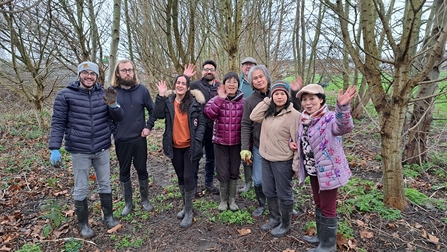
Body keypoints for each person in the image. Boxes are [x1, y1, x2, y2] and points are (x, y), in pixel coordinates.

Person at [49, 61, 122, 238]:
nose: (89, 76)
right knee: (81, 187)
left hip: (102, 147)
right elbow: (58, 122)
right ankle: (83, 224)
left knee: (105, 183)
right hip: (79, 149)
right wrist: (54, 148)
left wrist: (113, 106)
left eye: (92, 73)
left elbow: (118, 118)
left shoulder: (104, 93)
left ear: (97, 76)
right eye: (85, 73)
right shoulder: (65, 95)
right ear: (79, 75)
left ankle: (109, 217)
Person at [291, 84, 356, 252]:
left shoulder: (329, 118)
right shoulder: (304, 118)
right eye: (304, 99)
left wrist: (343, 107)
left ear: (321, 99)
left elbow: (344, 127)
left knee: (328, 207)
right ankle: (321, 237)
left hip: (329, 171)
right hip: (313, 170)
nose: (308, 103)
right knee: (319, 203)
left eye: (312, 98)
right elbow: (306, 140)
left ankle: (327, 246)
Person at [152, 74, 206, 228]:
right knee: (181, 177)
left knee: (189, 177)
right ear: (174, 86)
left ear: (188, 87)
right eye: (178, 83)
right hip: (174, 147)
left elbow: (202, 123)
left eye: (183, 83)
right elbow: (157, 114)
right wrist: (161, 95)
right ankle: (186, 206)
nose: (180, 85)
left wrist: (198, 139)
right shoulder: (168, 102)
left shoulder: (195, 103)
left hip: (191, 147)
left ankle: (189, 212)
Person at [250, 80, 300, 237]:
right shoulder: (267, 113)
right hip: (266, 157)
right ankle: (274, 218)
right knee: (268, 190)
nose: (279, 97)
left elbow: (298, 142)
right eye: (276, 94)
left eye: (282, 94)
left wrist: (297, 165)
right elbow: (253, 115)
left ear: (287, 96)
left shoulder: (294, 115)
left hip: (283, 161)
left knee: (284, 193)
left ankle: (285, 224)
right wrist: (267, 100)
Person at [110, 59, 154, 216]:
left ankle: (145, 200)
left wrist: (148, 126)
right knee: (124, 172)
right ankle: (128, 203)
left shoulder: (142, 90)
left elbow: (152, 110)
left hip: (139, 139)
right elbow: (106, 115)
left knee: (142, 169)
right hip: (122, 141)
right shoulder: (111, 92)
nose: (128, 73)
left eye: (130, 69)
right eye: (124, 70)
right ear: (118, 73)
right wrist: (116, 131)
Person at [204, 72, 244, 211]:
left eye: (234, 81)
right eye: (228, 81)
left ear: (238, 84)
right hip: (220, 142)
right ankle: (223, 200)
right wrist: (220, 99)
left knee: (234, 171)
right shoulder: (216, 99)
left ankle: (232, 200)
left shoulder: (243, 101)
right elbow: (209, 114)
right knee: (222, 171)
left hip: (237, 143)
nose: (231, 84)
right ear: (223, 84)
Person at [240, 65, 272, 218]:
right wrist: (245, 148)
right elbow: (246, 124)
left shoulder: (278, 94)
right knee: (258, 180)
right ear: (251, 82)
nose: (259, 80)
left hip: (278, 147)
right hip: (259, 146)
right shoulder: (250, 101)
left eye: (261, 77)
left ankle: (283, 204)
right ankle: (261, 204)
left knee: (279, 178)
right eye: (255, 78)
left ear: (266, 77)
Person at [186, 60, 220, 194]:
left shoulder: (219, 87)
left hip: (214, 128)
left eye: (211, 69)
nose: (209, 71)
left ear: (215, 72)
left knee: (211, 157)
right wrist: (186, 77)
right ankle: (193, 185)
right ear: (202, 72)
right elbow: (180, 88)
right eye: (206, 69)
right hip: (198, 128)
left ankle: (209, 182)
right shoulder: (194, 85)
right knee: (195, 156)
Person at [238, 57, 257, 194]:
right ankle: (248, 182)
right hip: (242, 122)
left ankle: (258, 180)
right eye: (245, 65)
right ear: (242, 67)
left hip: (258, 123)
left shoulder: (259, 81)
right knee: (246, 152)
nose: (248, 67)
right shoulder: (237, 83)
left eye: (251, 65)